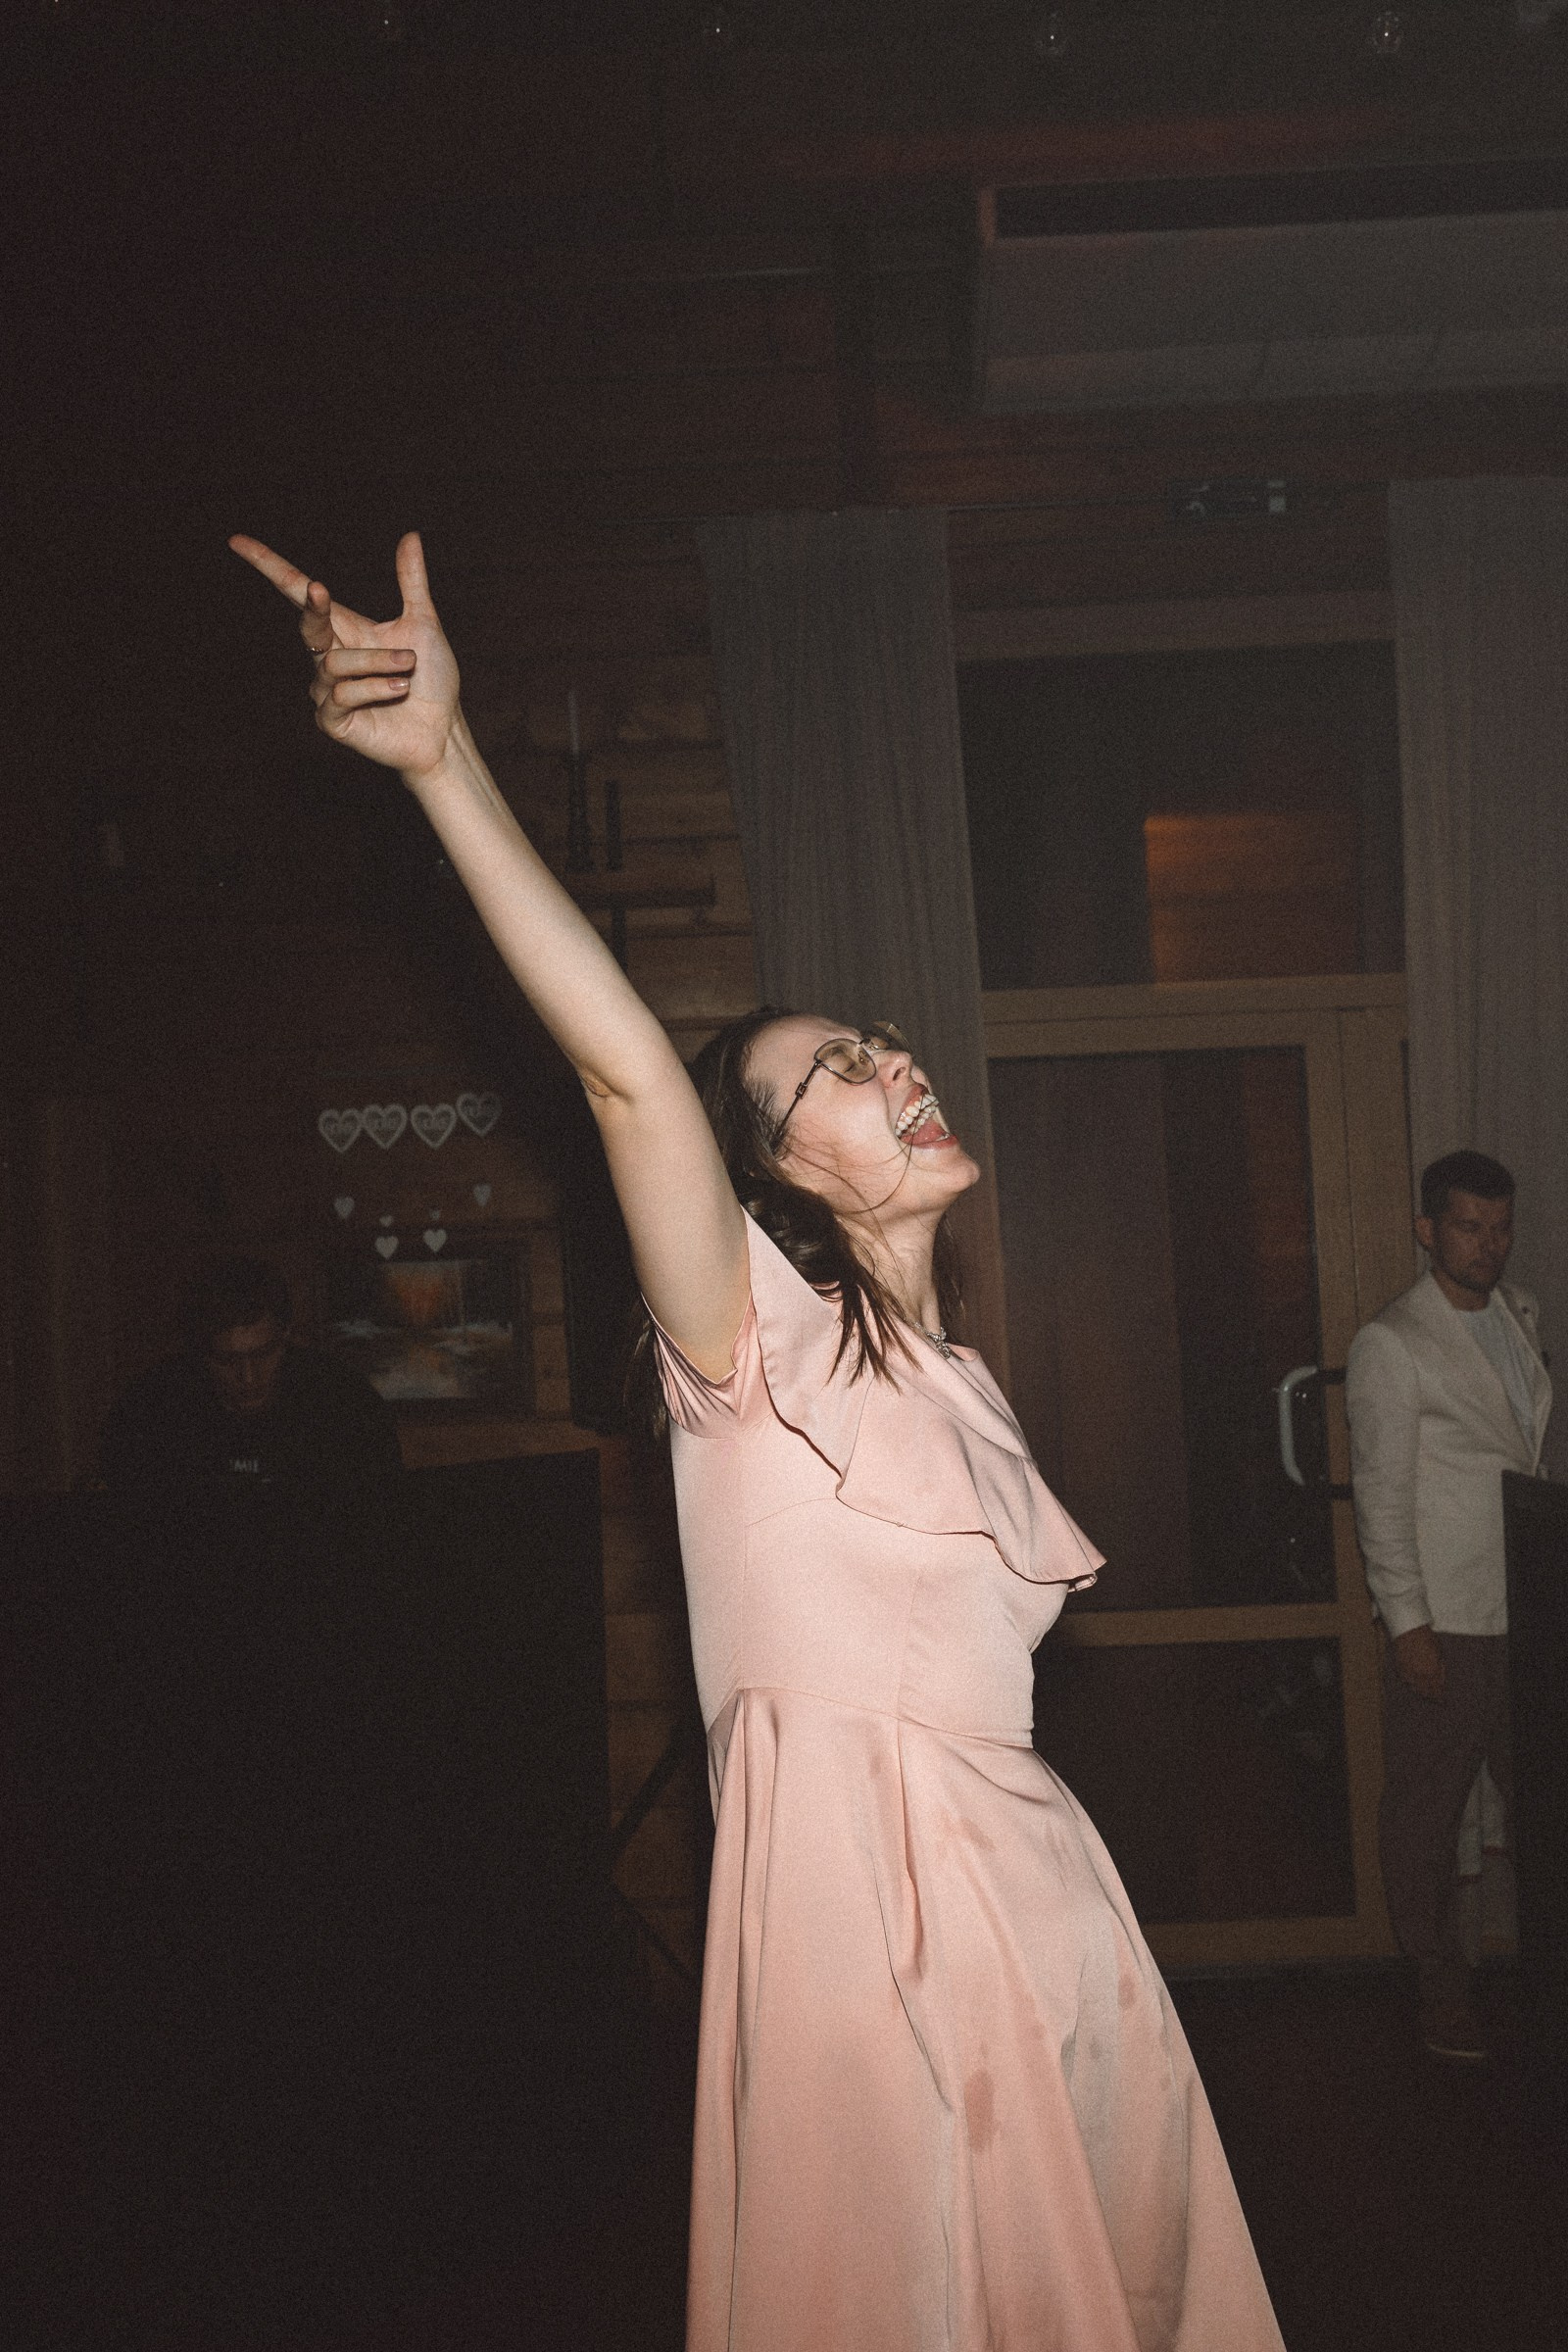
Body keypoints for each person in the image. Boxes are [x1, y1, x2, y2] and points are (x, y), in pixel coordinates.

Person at [231, 529, 1285, 2351]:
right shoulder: (744, 1344)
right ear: (776, 1173)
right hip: (858, 1937)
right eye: (836, 1073)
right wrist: (445, 763)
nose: (894, 1066)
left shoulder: (967, 1385)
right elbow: (625, 1071)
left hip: (1049, 1911)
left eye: (881, 1045)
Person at [1345, 1151, 1551, 2063]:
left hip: (1527, 1610)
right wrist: (1409, 1625)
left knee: (1544, 1803)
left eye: (1500, 1228)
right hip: (1447, 1621)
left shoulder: (1517, 1315)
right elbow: (1381, 1498)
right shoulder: (1392, 1342)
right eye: (1469, 1227)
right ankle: (1438, 1987)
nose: (1487, 1245)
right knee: (1425, 1818)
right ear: (1429, 1231)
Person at [100, 1252, 403, 1512]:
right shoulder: (148, 1414)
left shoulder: (346, 1405)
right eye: (226, 1360)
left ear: (285, 1335)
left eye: (263, 1354)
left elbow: (380, 1525)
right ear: (199, 1351)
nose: (248, 1377)